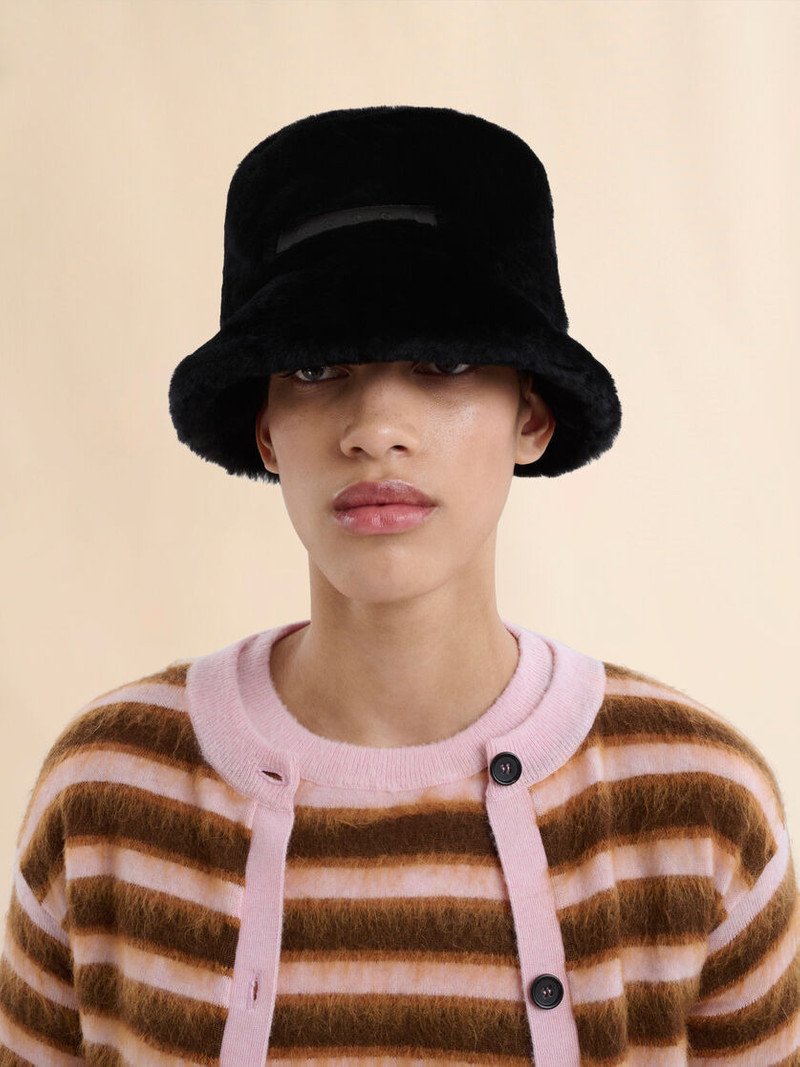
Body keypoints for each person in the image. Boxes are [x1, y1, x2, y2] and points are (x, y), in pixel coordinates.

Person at [0, 105, 797, 1066]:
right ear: (265, 430)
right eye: (315, 366)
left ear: (532, 415)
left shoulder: (699, 808)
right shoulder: (108, 792)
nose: (375, 427)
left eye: (444, 361)